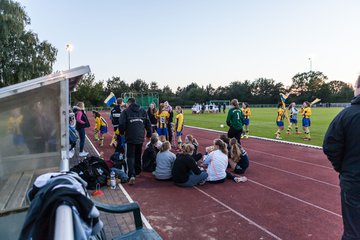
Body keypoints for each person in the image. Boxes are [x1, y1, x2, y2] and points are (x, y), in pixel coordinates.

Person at [323, 76, 360, 240]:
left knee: (353, 230)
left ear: (358, 87)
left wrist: (343, 168)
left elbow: (330, 146)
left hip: (354, 179)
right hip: (353, 176)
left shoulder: (346, 115)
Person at [119, 97, 151, 185]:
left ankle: (131, 174)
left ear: (128, 103)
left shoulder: (125, 111)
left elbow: (121, 124)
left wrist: (122, 132)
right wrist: (149, 134)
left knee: (130, 156)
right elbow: (148, 123)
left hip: (130, 136)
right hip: (140, 136)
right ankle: (137, 171)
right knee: (138, 154)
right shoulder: (143, 111)